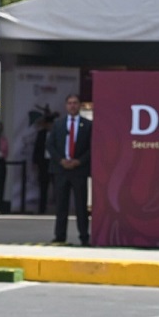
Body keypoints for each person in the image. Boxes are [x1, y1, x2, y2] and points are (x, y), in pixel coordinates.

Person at [47, 94, 91, 246]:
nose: (72, 106)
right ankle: (60, 236)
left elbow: (91, 147)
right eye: (70, 103)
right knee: (61, 205)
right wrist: (61, 160)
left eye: (75, 103)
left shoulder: (88, 125)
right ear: (66, 106)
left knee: (81, 205)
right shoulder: (58, 124)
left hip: (79, 170)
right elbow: (50, 145)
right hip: (61, 169)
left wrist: (79, 161)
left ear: (80, 105)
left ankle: (84, 236)